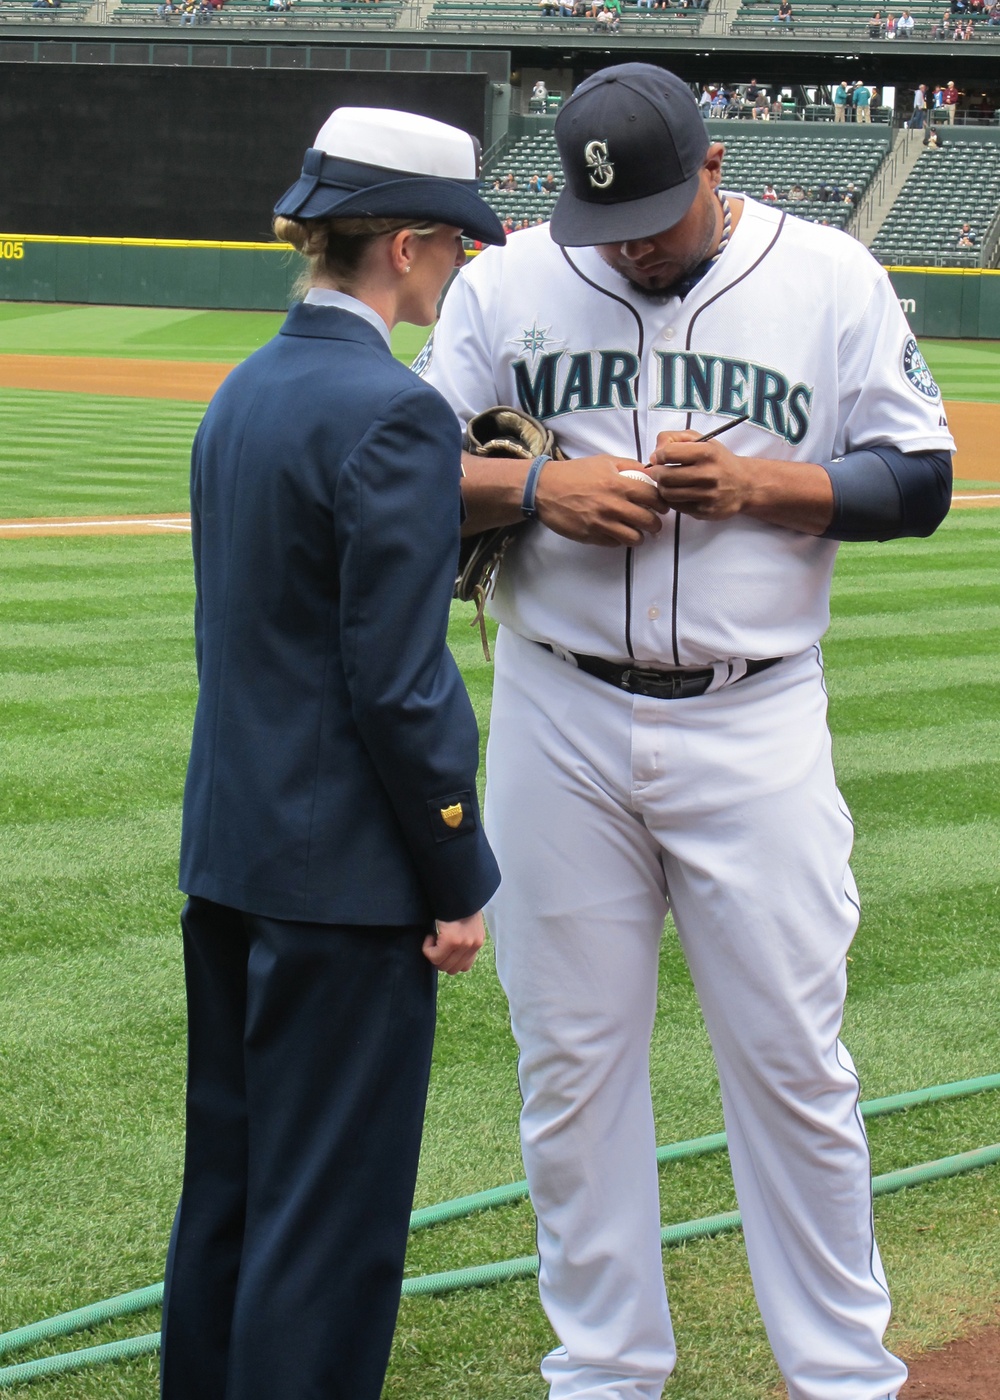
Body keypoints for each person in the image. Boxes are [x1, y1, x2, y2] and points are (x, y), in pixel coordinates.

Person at [420, 61, 954, 1400]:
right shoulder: (506, 284)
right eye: (610, 224)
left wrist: (768, 484)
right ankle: (601, 1375)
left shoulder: (828, 277)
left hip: (755, 718)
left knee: (790, 1062)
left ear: (715, 169)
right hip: (560, 715)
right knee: (572, 1069)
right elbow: (410, 470)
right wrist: (541, 489)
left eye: (657, 214)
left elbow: (922, 475)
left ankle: (843, 1376)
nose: (634, 244)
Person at [159, 106, 503, 1400]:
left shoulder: (244, 389)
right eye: (452, 249)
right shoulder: (395, 414)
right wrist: (456, 876)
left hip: (233, 853)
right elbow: (400, 685)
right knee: (329, 1227)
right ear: (405, 247)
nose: (456, 271)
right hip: (347, 887)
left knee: (233, 1199)